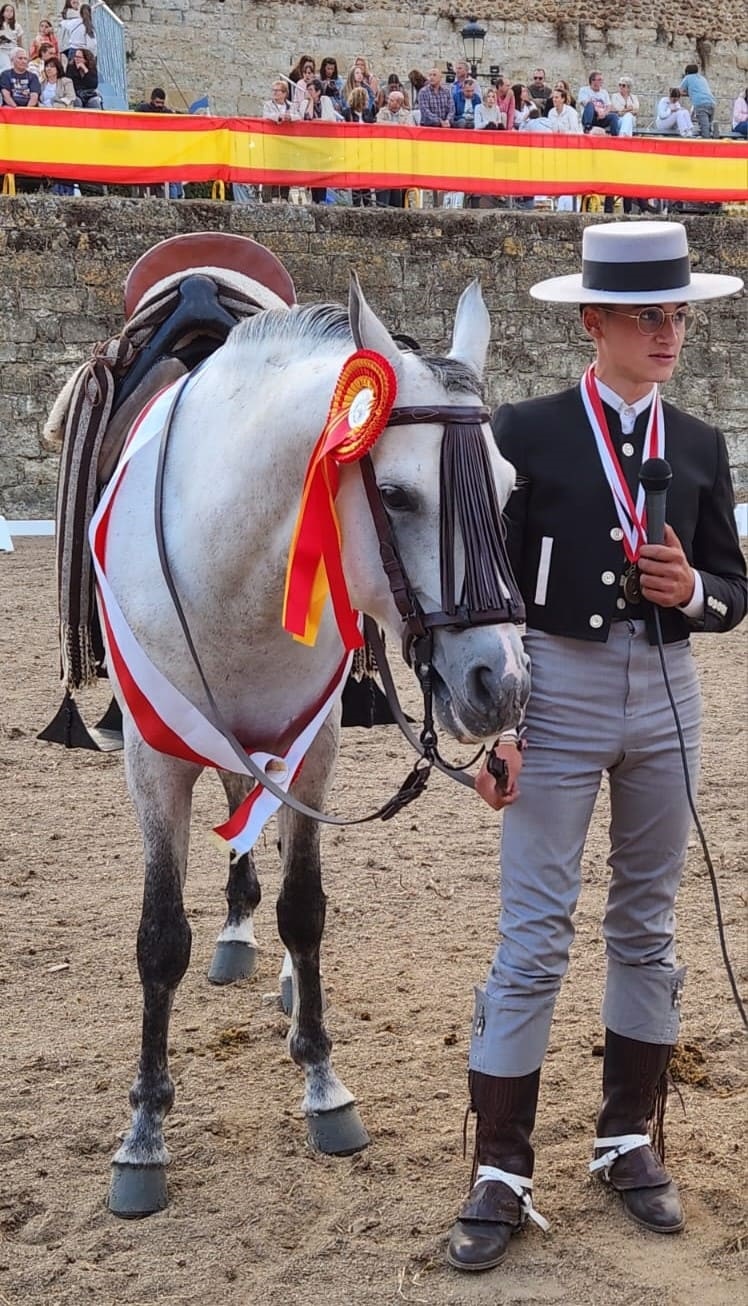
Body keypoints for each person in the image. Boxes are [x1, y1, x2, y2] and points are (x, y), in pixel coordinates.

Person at [446, 220, 746, 1275]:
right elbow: (485, 588)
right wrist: (500, 729)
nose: (667, 332)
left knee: (646, 922)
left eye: (676, 315)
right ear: (594, 323)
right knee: (533, 930)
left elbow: (734, 588)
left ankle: (628, 1139)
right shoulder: (520, 433)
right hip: (556, 687)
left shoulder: (700, 444)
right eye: (645, 316)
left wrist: (695, 593)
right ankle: (499, 1166)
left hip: (665, 686)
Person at [375, 89, 413, 207]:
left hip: (400, 154)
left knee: (397, 188)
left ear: (399, 103)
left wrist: (391, 127)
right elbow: (378, 124)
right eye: (389, 99)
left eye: (391, 100)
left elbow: (409, 129)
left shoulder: (406, 114)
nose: (388, 102)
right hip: (384, 152)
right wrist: (397, 126)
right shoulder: (382, 111)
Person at [578, 70, 620, 135]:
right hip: (590, 117)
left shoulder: (604, 92)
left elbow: (609, 106)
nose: (598, 82)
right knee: (590, 104)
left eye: (600, 80)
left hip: (601, 118)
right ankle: (587, 128)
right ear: (592, 81)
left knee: (614, 116)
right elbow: (585, 103)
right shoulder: (584, 90)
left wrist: (604, 114)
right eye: (596, 80)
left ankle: (615, 137)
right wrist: (597, 111)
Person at [680, 63, 715, 138]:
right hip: (711, 103)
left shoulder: (688, 77)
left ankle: (706, 146)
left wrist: (689, 93)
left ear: (687, 72)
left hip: (700, 104)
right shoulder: (702, 78)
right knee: (708, 128)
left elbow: (679, 91)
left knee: (705, 131)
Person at [0, 4, 23, 75]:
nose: (9, 13)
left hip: (14, 50)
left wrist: (21, 52)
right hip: (2, 50)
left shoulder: (17, 26)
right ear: (3, 13)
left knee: (15, 69)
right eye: (7, 11)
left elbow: (19, 42)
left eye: (11, 11)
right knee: (7, 68)